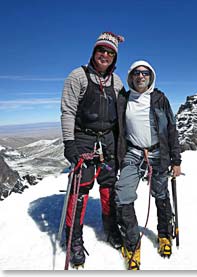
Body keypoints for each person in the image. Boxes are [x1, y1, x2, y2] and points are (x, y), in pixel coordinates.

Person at [60, 31, 125, 267]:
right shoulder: (77, 76)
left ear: (114, 58)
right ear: (94, 52)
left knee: (109, 186)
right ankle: (74, 238)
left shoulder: (117, 82)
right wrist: (70, 143)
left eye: (110, 52)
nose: (105, 55)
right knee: (81, 188)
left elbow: (120, 116)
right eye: (101, 50)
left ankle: (110, 228)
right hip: (84, 139)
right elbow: (68, 111)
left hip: (108, 140)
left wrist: (120, 144)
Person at [115, 60, 182, 270]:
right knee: (123, 195)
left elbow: (171, 129)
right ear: (131, 76)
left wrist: (176, 160)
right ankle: (132, 244)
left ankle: (164, 235)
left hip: (157, 152)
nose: (141, 76)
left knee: (160, 195)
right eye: (137, 73)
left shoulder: (160, 99)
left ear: (150, 76)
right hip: (133, 152)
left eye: (145, 73)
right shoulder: (124, 99)